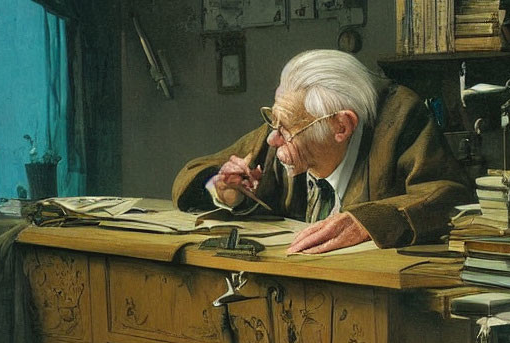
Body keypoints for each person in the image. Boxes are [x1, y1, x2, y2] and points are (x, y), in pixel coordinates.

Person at [172, 49, 471, 253]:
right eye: (273, 122)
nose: (273, 140)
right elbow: (196, 172)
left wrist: (367, 221)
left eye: (286, 130)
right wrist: (221, 189)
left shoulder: (400, 119)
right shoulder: (285, 124)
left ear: (341, 126)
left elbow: (451, 198)